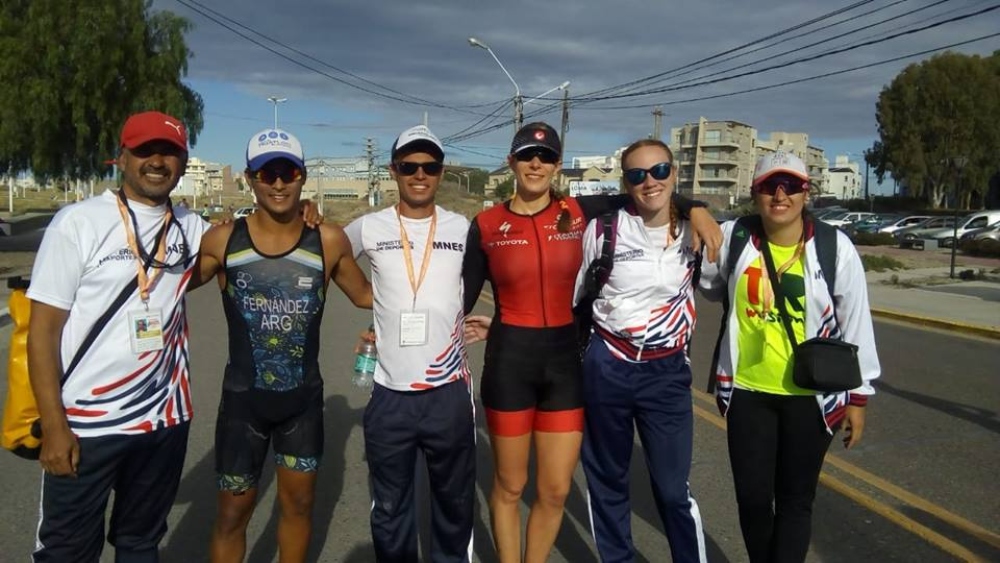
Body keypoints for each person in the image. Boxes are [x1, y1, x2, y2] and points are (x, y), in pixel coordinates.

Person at [461, 122, 721, 563]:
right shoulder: (486, 224)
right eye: (526, 156)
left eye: (546, 157)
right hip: (509, 365)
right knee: (510, 485)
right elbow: (458, 300)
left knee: (555, 489)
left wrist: (695, 208)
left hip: (565, 370)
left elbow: (648, 192)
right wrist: (392, 329)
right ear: (511, 162)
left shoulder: (580, 212)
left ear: (558, 165)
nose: (536, 164)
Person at [26, 111, 208, 562]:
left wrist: (304, 212)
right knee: (67, 551)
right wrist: (54, 427)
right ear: (121, 158)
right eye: (145, 150)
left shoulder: (193, 227)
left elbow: (259, 238)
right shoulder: (78, 222)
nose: (157, 161)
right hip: (86, 425)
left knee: (140, 543)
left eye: (169, 152)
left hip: (164, 422)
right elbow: (42, 333)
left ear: (183, 163)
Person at [192, 128, 372, 563]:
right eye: (266, 173)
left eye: (288, 173)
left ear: (302, 176)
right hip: (243, 405)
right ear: (250, 179)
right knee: (232, 515)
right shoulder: (221, 240)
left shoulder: (328, 240)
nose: (278, 183)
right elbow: (161, 287)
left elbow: (369, 296)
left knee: (299, 506)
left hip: (302, 404)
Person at [700, 151, 880, 563]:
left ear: (806, 192)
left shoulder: (834, 247)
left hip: (811, 396)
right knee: (752, 500)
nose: (780, 195)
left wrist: (859, 396)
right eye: (769, 186)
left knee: (796, 500)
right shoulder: (736, 237)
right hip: (748, 392)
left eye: (791, 186)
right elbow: (709, 284)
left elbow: (856, 323)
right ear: (755, 193)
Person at [344, 125, 476, 562]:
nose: (420, 175)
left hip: (448, 391)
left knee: (454, 506)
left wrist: (498, 323)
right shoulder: (369, 226)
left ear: (441, 172)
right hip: (390, 394)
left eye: (430, 167)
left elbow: (510, 277)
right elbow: (324, 251)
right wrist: (368, 299)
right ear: (393, 170)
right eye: (409, 166)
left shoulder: (463, 227)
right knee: (390, 510)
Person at [575, 139, 706, 562]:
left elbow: (723, 287)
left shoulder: (697, 232)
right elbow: (578, 295)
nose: (650, 182)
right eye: (637, 175)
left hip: (666, 371)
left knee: (672, 489)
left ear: (674, 173)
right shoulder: (604, 230)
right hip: (608, 364)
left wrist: (697, 209)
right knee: (608, 480)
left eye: (660, 171)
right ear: (625, 183)